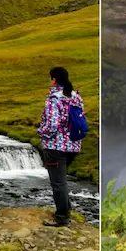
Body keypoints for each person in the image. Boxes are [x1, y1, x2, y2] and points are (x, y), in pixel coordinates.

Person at [37, 66, 83, 227]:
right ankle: (66, 208)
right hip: (73, 146)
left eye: (50, 78)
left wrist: (41, 132)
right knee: (62, 180)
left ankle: (62, 217)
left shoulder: (54, 99)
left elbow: (52, 125)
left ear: (54, 80)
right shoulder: (75, 96)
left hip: (55, 147)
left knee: (58, 183)